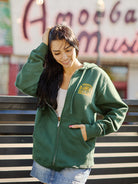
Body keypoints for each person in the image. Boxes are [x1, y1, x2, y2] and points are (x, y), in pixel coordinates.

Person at [15, 24, 128, 184]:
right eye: (57, 52)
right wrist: (43, 46)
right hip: (45, 160)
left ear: (76, 45)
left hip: (75, 162)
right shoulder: (49, 77)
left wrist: (92, 130)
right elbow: (23, 82)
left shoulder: (94, 75)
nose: (64, 56)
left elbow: (118, 110)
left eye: (68, 49)